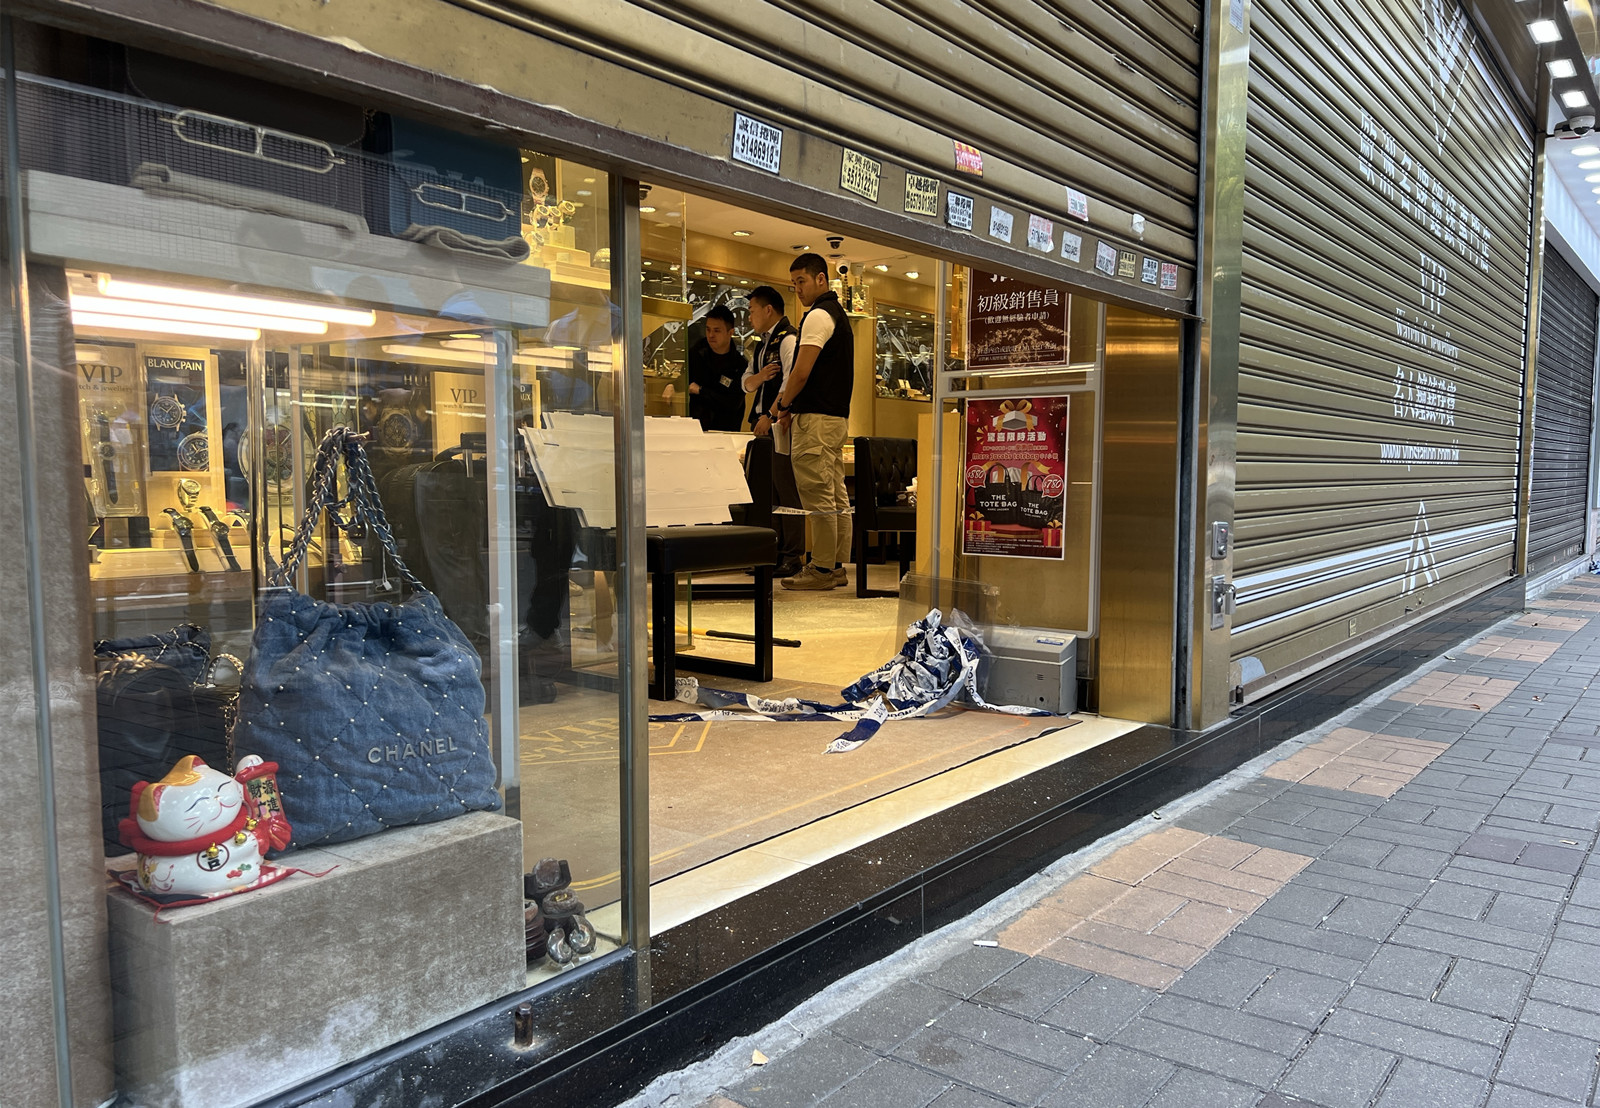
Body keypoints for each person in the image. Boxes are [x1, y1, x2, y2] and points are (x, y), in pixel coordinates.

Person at [767, 253, 854, 591]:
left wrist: (783, 405)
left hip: (815, 419)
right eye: (794, 284)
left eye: (801, 281)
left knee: (818, 494)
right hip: (835, 418)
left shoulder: (818, 315)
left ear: (821, 279)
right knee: (834, 492)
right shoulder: (838, 315)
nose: (798, 289)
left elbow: (801, 372)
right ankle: (835, 565)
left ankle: (821, 568)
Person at [743, 285, 804, 577]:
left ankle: (792, 556)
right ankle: (772, 554)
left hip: (779, 425)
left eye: (752, 310)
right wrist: (758, 376)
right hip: (760, 425)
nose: (749, 317)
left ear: (768, 310)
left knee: (786, 493)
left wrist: (771, 414)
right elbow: (746, 383)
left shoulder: (788, 339)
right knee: (767, 494)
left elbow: (790, 381)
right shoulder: (761, 344)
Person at [686, 304, 747, 432]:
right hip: (696, 427)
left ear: (730, 332)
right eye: (708, 329)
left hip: (725, 429)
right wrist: (672, 385)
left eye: (716, 330)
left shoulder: (739, 365)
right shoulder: (697, 352)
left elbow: (733, 403)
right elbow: (684, 381)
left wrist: (701, 391)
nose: (711, 335)